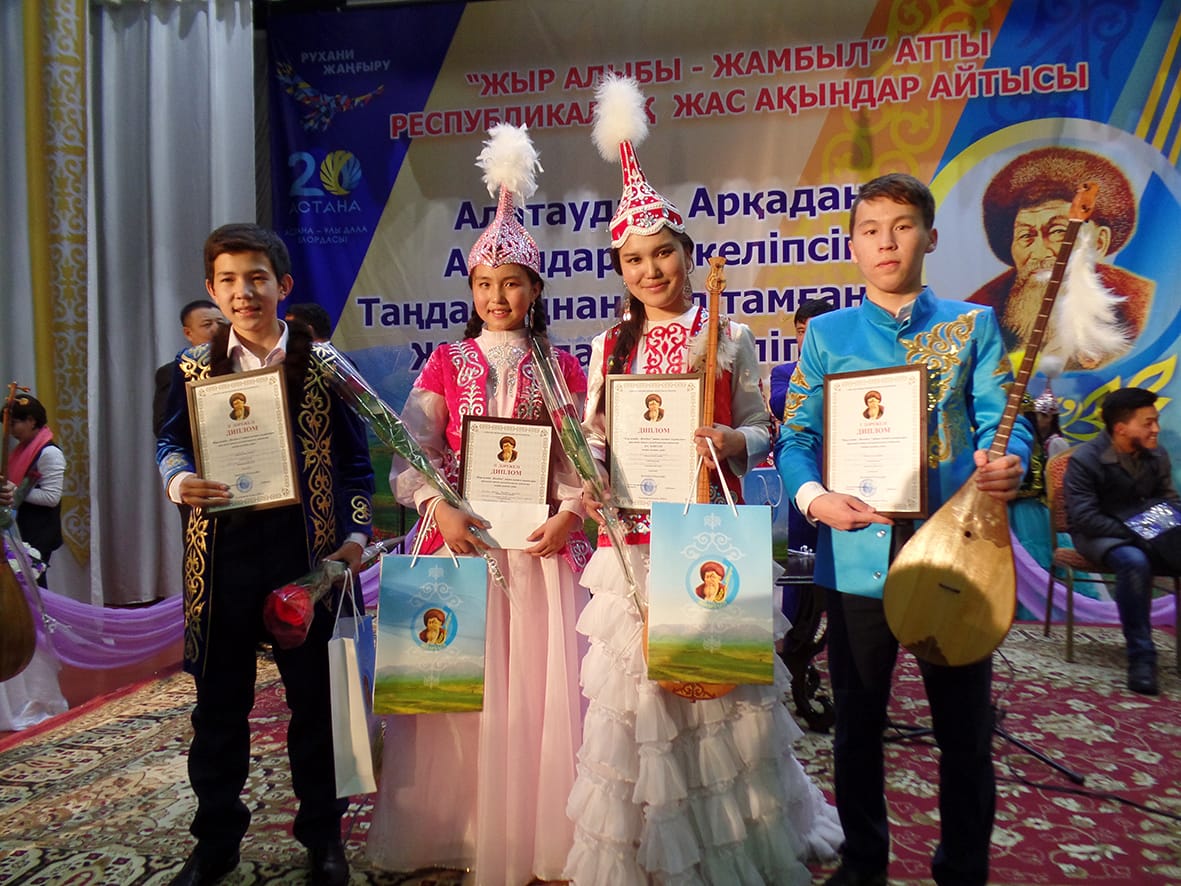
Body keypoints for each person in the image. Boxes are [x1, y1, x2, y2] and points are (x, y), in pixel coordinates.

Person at [566, 74, 841, 885]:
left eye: (662, 253)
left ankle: (732, 841)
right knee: (643, 702)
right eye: (634, 260)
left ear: (686, 253)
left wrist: (730, 438)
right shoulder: (607, 346)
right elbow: (591, 436)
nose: (651, 270)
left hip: (708, 534)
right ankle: (653, 846)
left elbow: (765, 426)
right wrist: (590, 476)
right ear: (619, 268)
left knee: (722, 697)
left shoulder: (730, 333)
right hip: (634, 539)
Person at [776, 172, 1031, 886]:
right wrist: (815, 499)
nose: (885, 242)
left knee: (964, 730)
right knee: (858, 726)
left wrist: (1009, 460)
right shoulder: (826, 335)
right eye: (870, 230)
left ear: (930, 237)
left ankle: (963, 869)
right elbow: (795, 437)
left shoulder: (972, 326)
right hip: (855, 555)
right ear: (853, 245)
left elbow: (1003, 424)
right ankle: (864, 865)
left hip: (955, 556)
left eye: (901, 226)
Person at [366, 124, 590, 885]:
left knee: (537, 696)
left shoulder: (561, 366)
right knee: (458, 694)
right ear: (470, 291)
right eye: (485, 284)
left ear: (536, 289)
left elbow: (581, 459)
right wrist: (440, 508)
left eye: (513, 283)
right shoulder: (446, 361)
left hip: (538, 552)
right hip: (460, 545)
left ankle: (539, 832)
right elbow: (413, 449)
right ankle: (460, 826)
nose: (498, 297)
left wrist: (571, 512)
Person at [156, 223, 374, 886]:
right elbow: (169, 444)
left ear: (283, 285)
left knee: (317, 706)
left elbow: (356, 466)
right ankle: (215, 842)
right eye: (228, 280)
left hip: (307, 560)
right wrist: (178, 480)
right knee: (219, 710)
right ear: (211, 288)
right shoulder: (186, 371)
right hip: (221, 558)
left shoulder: (327, 368)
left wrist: (355, 538)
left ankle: (323, 838)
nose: (243, 292)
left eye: (256, 278)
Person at [967, 146, 1154, 370]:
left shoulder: (1140, 305)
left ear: (1099, 241)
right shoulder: (980, 311)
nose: (1040, 252)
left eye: (1057, 232)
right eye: (1026, 236)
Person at [1063, 386, 1180, 696]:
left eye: (1156, 421)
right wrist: (1139, 533)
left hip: (1147, 530)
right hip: (1099, 535)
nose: (1156, 429)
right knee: (1134, 561)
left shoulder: (1157, 454)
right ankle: (1142, 657)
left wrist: (1160, 529)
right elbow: (1085, 518)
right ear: (1121, 428)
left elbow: (1170, 501)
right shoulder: (1085, 459)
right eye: (1148, 423)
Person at [3, 394, 67, 587]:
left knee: (33, 586)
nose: (10, 431)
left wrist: (15, 491)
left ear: (31, 421)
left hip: (38, 531)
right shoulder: (22, 450)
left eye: (14, 424)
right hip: (21, 527)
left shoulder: (50, 453)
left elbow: (51, 497)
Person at [153, 299, 226, 438]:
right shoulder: (173, 372)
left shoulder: (242, 361)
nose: (216, 329)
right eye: (207, 324)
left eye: (221, 323)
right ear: (188, 333)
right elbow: (164, 426)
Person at [769, 298, 838, 420]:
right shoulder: (784, 373)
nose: (806, 339)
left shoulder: (845, 369)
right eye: (801, 331)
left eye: (813, 331)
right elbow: (780, 409)